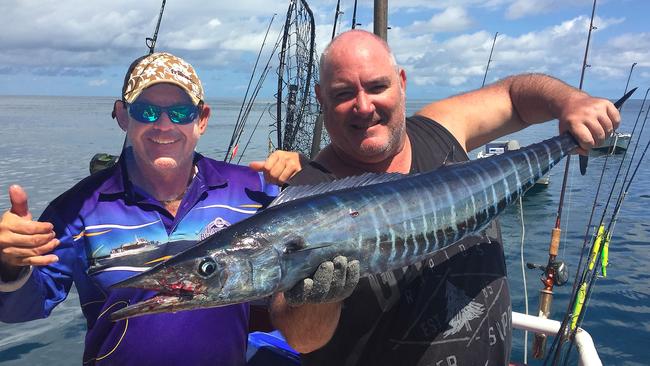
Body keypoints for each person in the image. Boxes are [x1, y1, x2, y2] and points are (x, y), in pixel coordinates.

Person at [266, 29, 619, 365]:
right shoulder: (303, 198)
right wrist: (316, 300)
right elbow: (301, 339)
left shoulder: (441, 127)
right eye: (343, 93)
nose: (363, 105)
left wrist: (572, 102)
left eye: (377, 86)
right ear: (321, 98)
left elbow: (514, 95)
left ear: (401, 83)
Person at [0, 52, 281, 365]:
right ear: (123, 115)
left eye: (181, 112)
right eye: (146, 111)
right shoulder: (77, 210)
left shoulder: (253, 189)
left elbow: (306, 240)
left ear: (201, 119)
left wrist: (304, 174)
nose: (163, 125)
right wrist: (10, 265)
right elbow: (24, 307)